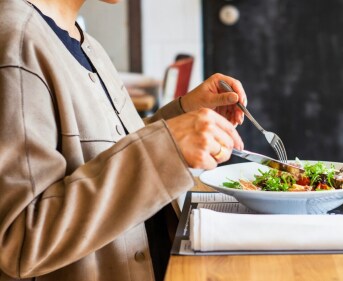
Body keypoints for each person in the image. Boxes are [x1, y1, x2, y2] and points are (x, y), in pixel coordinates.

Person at [0, 0, 247, 280]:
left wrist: (181, 114)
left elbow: (105, 152)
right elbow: (18, 241)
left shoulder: (86, 43)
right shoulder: (17, 42)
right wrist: (166, 148)